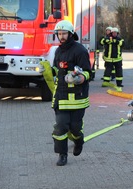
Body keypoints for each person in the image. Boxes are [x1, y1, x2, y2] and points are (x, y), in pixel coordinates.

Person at [39, 20, 91, 166]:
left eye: (64, 33)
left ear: (71, 34)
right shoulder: (58, 51)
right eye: (59, 34)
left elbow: (88, 73)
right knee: (60, 127)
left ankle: (78, 140)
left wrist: (78, 79)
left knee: (75, 128)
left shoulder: (80, 51)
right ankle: (62, 155)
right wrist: (48, 71)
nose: (61, 36)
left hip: (77, 99)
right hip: (61, 97)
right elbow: (57, 70)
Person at [101, 27, 124, 91]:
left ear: (117, 33)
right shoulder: (107, 38)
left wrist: (114, 41)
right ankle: (106, 82)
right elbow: (102, 41)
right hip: (109, 59)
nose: (114, 34)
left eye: (115, 33)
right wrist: (107, 40)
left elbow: (122, 43)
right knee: (107, 71)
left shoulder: (120, 39)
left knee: (119, 72)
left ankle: (119, 84)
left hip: (117, 59)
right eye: (113, 33)